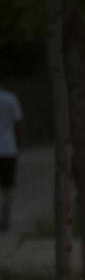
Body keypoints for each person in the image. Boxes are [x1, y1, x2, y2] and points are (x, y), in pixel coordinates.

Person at [0, 79, 24, 231]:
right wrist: (20, 142)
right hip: (8, 148)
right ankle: (6, 211)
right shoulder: (10, 98)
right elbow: (18, 122)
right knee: (8, 185)